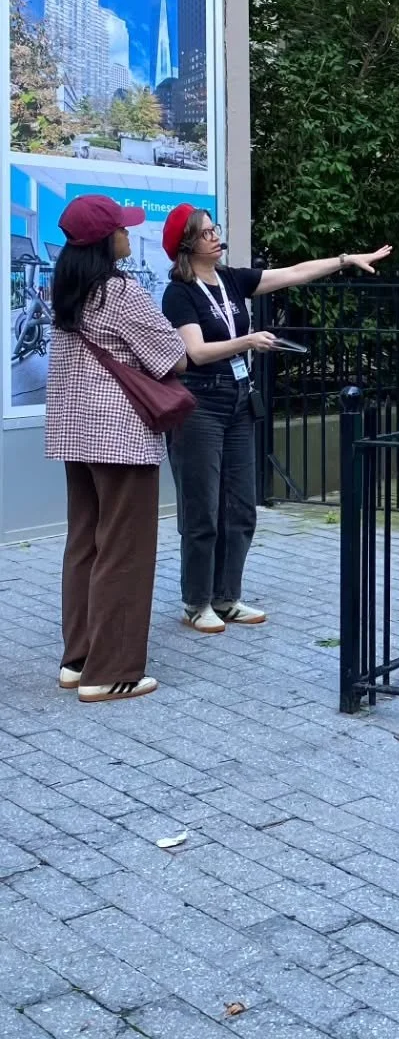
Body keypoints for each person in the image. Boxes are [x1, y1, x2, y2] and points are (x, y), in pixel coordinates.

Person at [160, 204, 392, 633]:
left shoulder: (231, 280)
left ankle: (227, 597)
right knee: (203, 512)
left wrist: (345, 260)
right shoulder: (180, 293)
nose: (216, 237)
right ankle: (197, 602)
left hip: (238, 402)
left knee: (242, 507)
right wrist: (247, 340)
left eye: (216, 229)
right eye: (207, 232)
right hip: (201, 406)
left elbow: (295, 272)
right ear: (187, 245)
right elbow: (194, 353)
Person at [45, 194, 188, 703]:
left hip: (74, 434)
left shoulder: (65, 288)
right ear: (108, 240)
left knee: (84, 543)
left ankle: (78, 659)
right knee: (125, 550)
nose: (129, 233)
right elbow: (174, 358)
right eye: (123, 228)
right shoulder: (120, 291)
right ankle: (112, 671)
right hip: (121, 435)